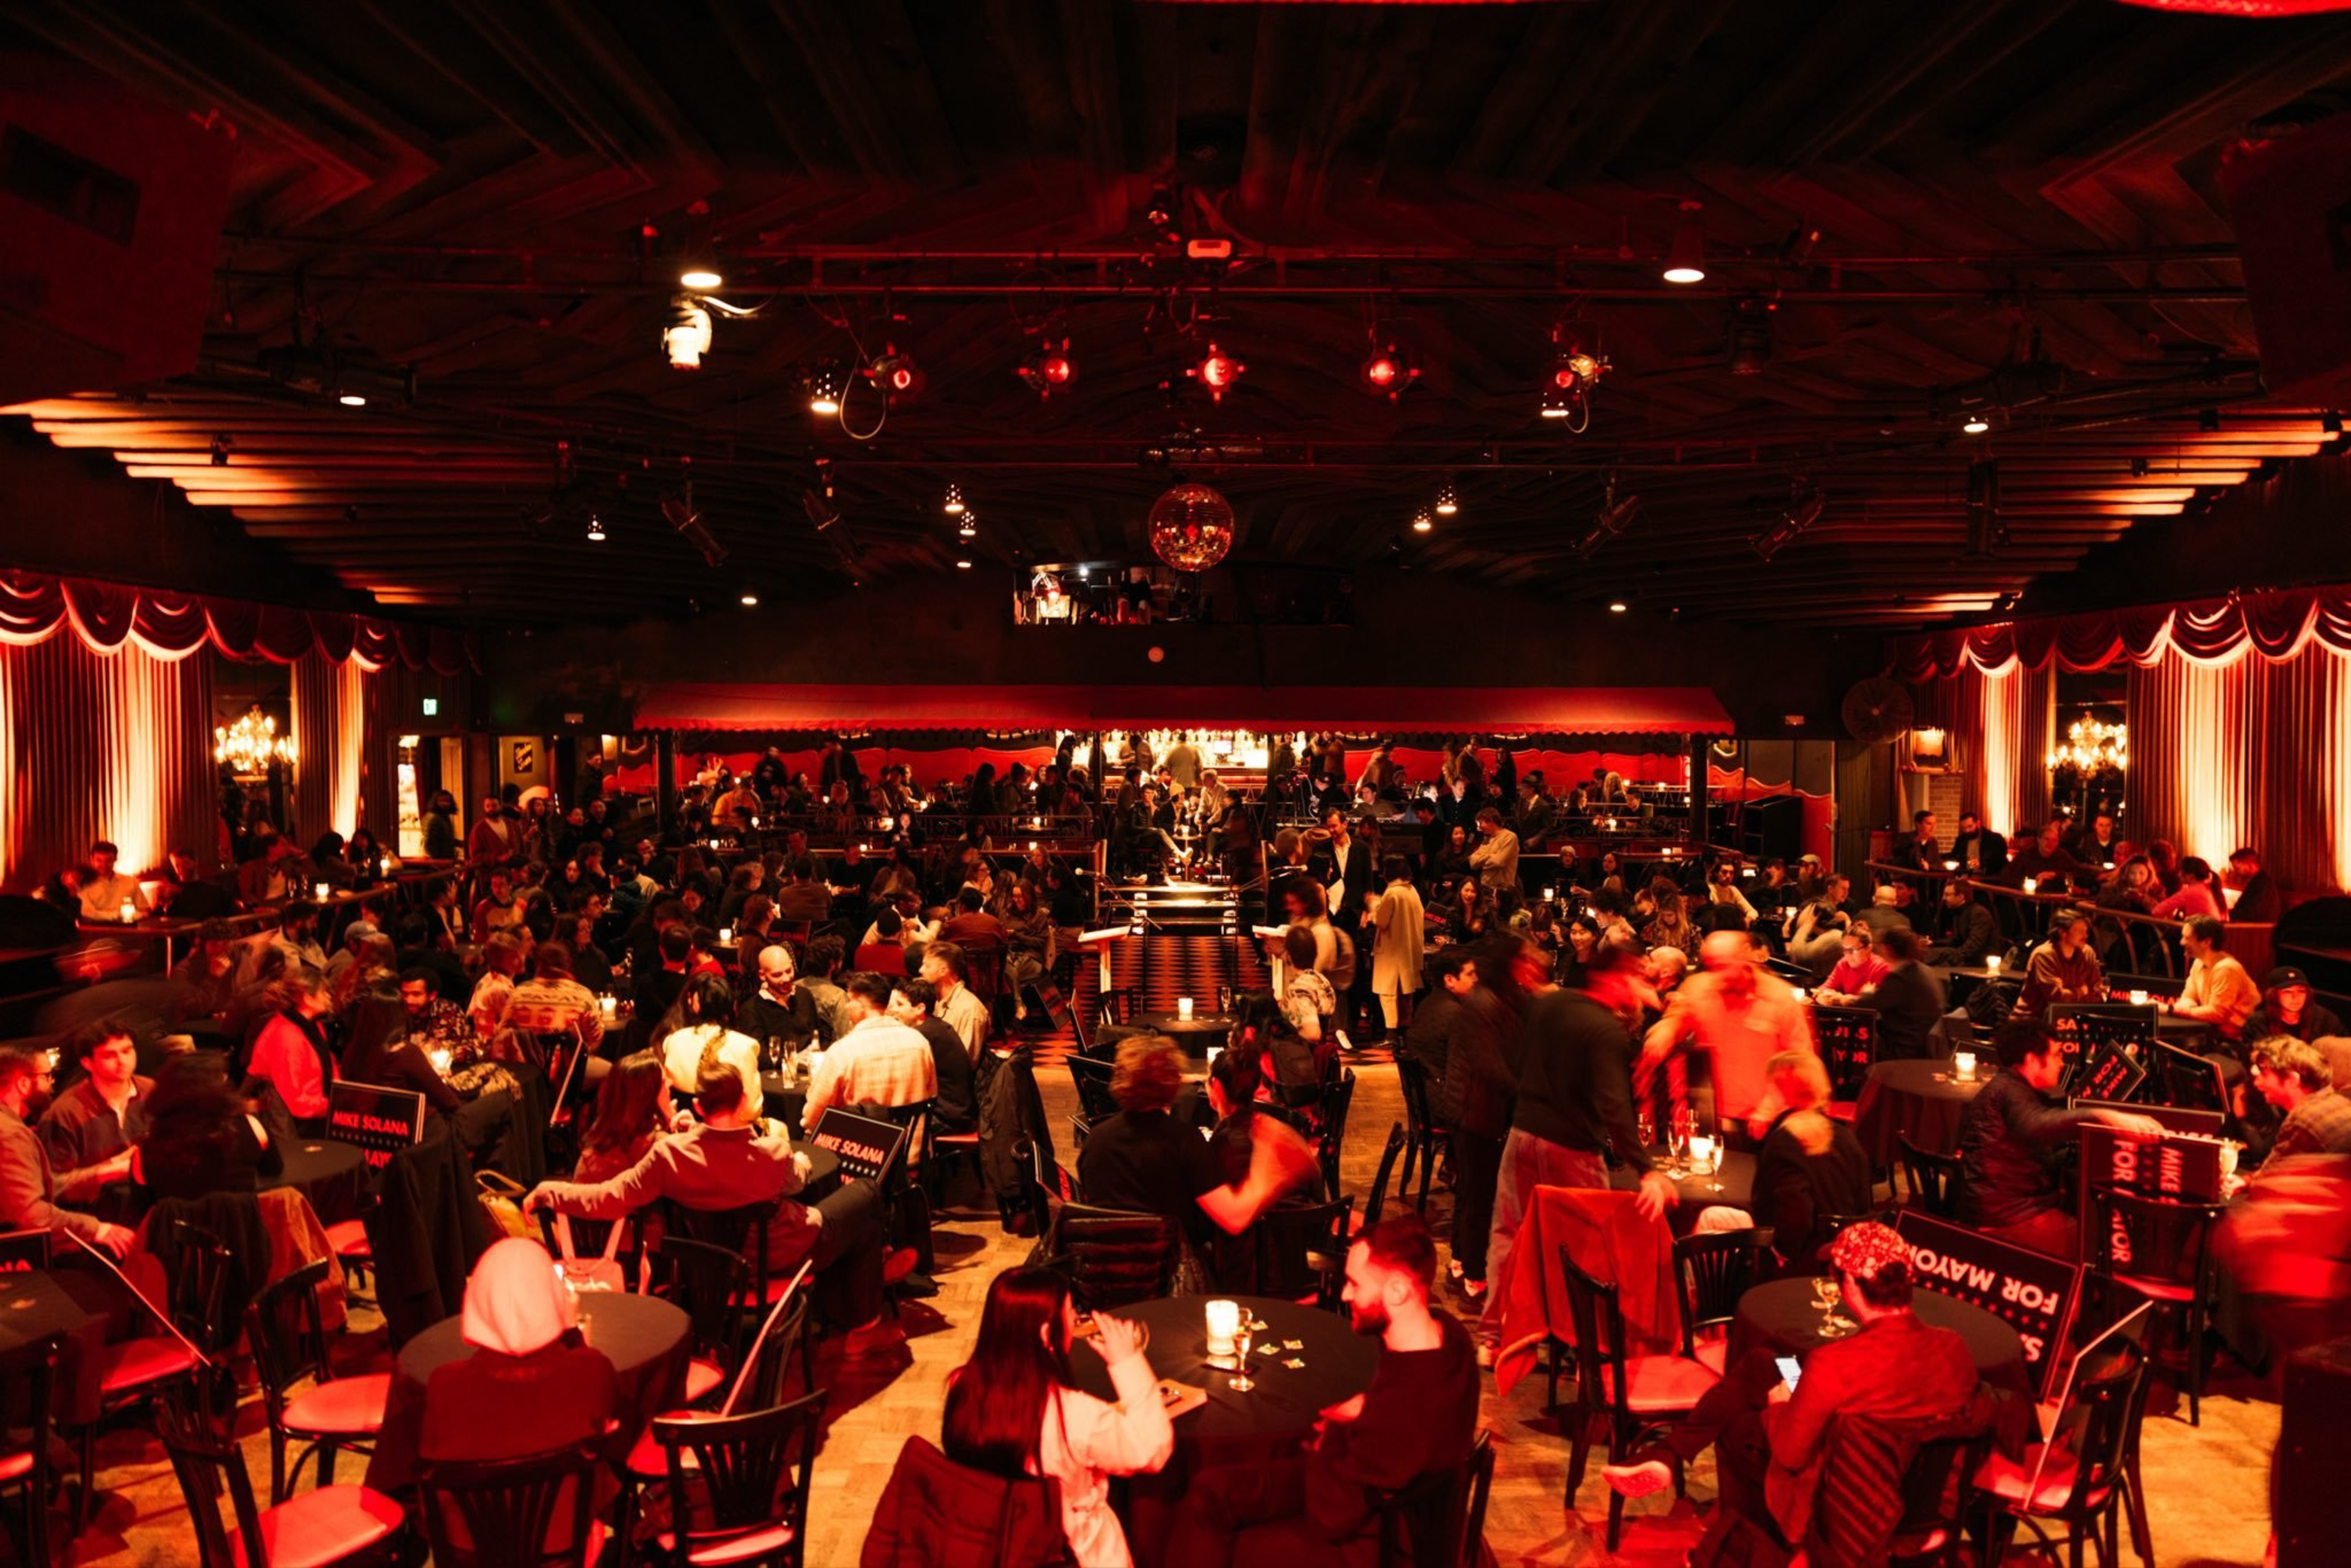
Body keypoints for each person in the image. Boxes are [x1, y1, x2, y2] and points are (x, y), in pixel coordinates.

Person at [1601, 1223, 1980, 1555]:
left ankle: (1749, 1546)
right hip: (1916, 1493)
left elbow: (1791, 1455)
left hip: (1840, 1497)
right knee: (1765, 1362)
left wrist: (1780, 1406)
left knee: (1738, 1432)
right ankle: (1669, 1456)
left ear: (1848, 1283)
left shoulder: (1833, 1363)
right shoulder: (1954, 1347)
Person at [528, 1059, 902, 1356]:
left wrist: (550, 1191)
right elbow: (798, 1179)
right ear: (742, 1103)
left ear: (697, 1106)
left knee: (848, 1228)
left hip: (711, 1264)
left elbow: (609, 1196)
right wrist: (796, 1160)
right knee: (866, 1195)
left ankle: (862, 1282)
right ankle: (865, 1323)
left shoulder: (669, 1155)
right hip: (779, 1254)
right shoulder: (770, 1153)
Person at [1168, 1214, 1482, 1568]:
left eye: (1356, 1284)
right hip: (1381, 1495)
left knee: (1225, 1530)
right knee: (1213, 1489)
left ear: (1397, 1290)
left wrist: (1334, 1431)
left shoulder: (1399, 1412)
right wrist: (1362, 1411)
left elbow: (1328, 1515)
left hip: (1379, 1540)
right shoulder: (1451, 1335)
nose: (1345, 1294)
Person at [1484, 948, 1677, 1354]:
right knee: (1588, 1245)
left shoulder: (1550, 1004)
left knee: (1509, 1235)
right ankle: (1583, 1344)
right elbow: (1615, 1107)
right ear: (1613, 978)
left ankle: (1497, 1338)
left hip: (1523, 1135)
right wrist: (1646, 1169)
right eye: (1635, 976)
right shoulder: (1605, 1030)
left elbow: (1518, 1062)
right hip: (1571, 1150)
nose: (1640, 986)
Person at [940, 1269, 1171, 1568]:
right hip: (1067, 1552)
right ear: (1047, 1335)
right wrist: (1127, 1361)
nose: (1076, 1318)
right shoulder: (1075, 1415)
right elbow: (1151, 1451)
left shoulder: (961, 1385)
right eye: (1070, 1311)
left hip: (990, 1544)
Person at [1075, 1036, 1318, 1261]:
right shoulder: (1184, 1141)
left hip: (1105, 1272)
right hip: (1170, 1277)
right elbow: (1234, 1218)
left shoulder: (1095, 1141)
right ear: (1171, 1083)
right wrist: (1270, 1167)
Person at [419, 1236, 621, 1501]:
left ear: (477, 1298)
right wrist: (571, 1330)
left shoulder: (443, 1385)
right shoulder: (592, 1370)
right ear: (555, 1296)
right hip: (565, 1534)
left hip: (466, 1539)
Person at [1956, 1020, 2162, 1256]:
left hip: (2003, 1206)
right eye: (2056, 1055)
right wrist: (2102, 1115)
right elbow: (2036, 1126)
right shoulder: (2010, 1093)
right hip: (2007, 1218)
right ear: (2033, 1060)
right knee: (2099, 1244)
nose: (2062, 1063)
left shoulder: (2008, 1086)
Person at [1641, 931, 1817, 1132]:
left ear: (1744, 959)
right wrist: (1667, 1029)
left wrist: (1771, 1107)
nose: (1719, 975)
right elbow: (1679, 1017)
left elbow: (1800, 1061)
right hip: (1710, 1114)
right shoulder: (1698, 987)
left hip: (1764, 1117)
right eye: (1712, 966)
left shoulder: (1780, 997)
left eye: (1724, 966)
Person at [1739, 1051, 1872, 1272]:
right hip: (1849, 1260)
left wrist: (1779, 1256)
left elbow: (1796, 1220)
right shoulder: (1848, 1138)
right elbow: (1863, 1206)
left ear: (1781, 1093)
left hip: (1806, 1268)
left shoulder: (1784, 1143)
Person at [0, 1046, 135, 1255]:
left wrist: (107, 1169)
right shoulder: (10, 1135)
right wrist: (98, 1229)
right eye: (47, 1076)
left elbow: (39, 1186)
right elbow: (30, 1216)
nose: (52, 1083)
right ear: (24, 1084)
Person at [131, 1053, 283, 1207]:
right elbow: (273, 1169)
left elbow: (143, 1208)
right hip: (239, 1229)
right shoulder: (252, 1127)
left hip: (177, 1230)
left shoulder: (146, 1151)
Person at [801, 971, 938, 1129]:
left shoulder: (843, 1052)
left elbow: (812, 1118)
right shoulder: (920, 1042)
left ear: (860, 1005)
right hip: (912, 1148)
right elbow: (932, 1096)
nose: (846, 1006)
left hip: (861, 1149)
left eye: (850, 1000)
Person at [37, 1021, 151, 1182]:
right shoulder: (64, 1114)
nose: (122, 1061)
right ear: (87, 1063)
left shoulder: (150, 1090)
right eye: (109, 1055)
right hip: (97, 1205)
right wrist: (112, 1169)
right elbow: (53, 1184)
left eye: (127, 1051)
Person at [656, 973, 766, 1125]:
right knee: (779, 1128)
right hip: (725, 1131)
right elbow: (751, 1110)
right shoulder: (744, 1046)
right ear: (733, 1006)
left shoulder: (673, 1040)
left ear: (697, 1006)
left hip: (683, 1126)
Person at [245, 967, 337, 1135]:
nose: (329, 996)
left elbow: (328, 1063)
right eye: (324, 992)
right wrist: (332, 1106)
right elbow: (295, 1100)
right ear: (308, 999)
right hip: (294, 1126)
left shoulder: (314, 1026)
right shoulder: (285, 1036)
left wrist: (339, 1096)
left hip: (315, 1115)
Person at [2249, 1037, 2351, 1169]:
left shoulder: (2303, 1121)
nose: (2257, 1083)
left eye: (2265, 1075)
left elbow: (2270, 1177)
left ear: (2292, 1080)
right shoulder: (2340, 1102)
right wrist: (2247, 1181)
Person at [889, 978, 975, 1135]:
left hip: (947, 1118)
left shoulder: (922, 1036)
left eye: (901, 1005)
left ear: (920, 1008)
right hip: (956, 1112)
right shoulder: (934, 1027)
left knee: (883, 1125)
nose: (895, 1010)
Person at [572, 1051, 675, 1184]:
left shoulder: (593, 1153)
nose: (671, 1083)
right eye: (664, 1081)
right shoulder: (658, 1148)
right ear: (648, 1097)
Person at [1860, 928, 1948, 1062]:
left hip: (1905, 1049)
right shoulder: (1924, 971)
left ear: (1887, 949)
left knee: (1860, 1039)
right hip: (1925, 1045)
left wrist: (1865, 994)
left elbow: (1867, 1005)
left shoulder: (1901, 978)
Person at [2175, 915, 2260, 1043]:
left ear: (2207, 942)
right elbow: (2189, 996)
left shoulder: (2227, 969)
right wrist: (2183, 1008)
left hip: (2239, 1041)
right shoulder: (2199, 963)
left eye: (2187, 938)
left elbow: (2217, 1014)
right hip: (2217, 1035)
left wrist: (2171, 1010)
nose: (2181, 942)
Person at [2008, 909, 2104, 1021]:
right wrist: (2081, 991)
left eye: (2086, 931)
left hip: (2072, 1021)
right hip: (2032, 1022)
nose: (2086, 935)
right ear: (2062, 932)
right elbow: (2056, 1000)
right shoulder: (2044, 955)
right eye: (2079, 931)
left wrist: (2067, 992)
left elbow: (2097, 992)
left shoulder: (2088, 953)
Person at [1368, 857, 1423, 1041]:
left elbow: (1381, 921)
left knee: (1388, 994)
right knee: (1407, 993)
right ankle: (1404, 1034)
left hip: (1392, 951)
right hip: (1409, 950)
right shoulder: (1412, 890)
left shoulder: (1392, 894)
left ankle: (1391, 1035)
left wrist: (1373, 905)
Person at [2244, 967, 2343, 1045]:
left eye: (2301, 991)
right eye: (2287, 992)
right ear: (2274, 995)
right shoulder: (2259, 1022)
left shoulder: (2325, 1019)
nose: (2295, 997)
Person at [1923, 879, 1998, 967]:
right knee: (1930, 954)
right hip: (1965, 956)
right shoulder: (1959, 912)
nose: (1944, 898)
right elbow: (1956, 939)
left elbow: (1975, 945)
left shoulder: (1979, 913)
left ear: (1961, 896)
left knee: (1937, 961)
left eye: (1947, 895)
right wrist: (1933, 943)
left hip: (1979, 961)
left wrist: (1953, 957)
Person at [1812, 925, 1888, 1004]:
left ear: (1868, 948)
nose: (1848, 955)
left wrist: (1841, 999)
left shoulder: (1880, 968)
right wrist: (1821, 995)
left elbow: (1877, 1002)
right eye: (1845, 950)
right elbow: (1825, 988)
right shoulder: (1843, 964)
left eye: (1853, 950)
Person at [75, 841, 149, 922]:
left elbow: (144, 911)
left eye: (109, 860)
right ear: (92, 860)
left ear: (115, 859)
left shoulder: (131, 882)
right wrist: (118, 915)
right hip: (94, 931)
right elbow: (87, 913)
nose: (104, 865)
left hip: (127, 931)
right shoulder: (84, 883)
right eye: (99, 861)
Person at [2150, 855, 2225, 921]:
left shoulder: (2191, 891)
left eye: (2181, 871)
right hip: (2213, 933)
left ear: (2191, 876)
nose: (2179, 874)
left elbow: (2157, 911)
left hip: (2201, 935)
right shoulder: (2209, 887)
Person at [1467, 807, 1519, 894]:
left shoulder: (1510, 837)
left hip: (1503, 892)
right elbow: (1472, 863)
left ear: (1490, 821)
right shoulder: (1486, 840)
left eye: (1481, 823)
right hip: (1485, 889)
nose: (1480, 827)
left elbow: (1498, 862)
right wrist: (1491, 856)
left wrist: (1481, 859)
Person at [2225, 846, 2281, 924]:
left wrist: (2227, 913)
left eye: (2237, 868)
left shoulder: (2263, 883)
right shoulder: (2258, 881)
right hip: (2253, 925)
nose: (2235, 872)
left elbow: (2254, 913)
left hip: (2259, 930)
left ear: (2250, 865)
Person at [1947, 812, 2007, 876]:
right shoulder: (1961, 840)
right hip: (1967, 878)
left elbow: (2000, 858)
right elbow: (1955, 855)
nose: (1967, 831)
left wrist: (1982, 862)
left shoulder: (1994, 838)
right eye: (1964, 828)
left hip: (1989, 879)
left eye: (1970, 826)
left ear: (1978, 823)